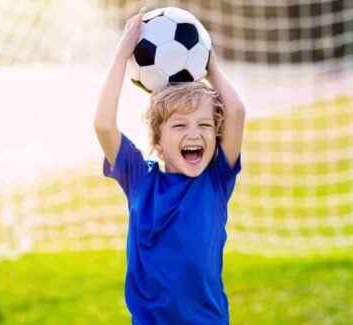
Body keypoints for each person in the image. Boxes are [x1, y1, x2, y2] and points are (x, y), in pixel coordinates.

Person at [93, 7, 246, 324]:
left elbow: (235, 112)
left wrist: (210, 65)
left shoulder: (216, 180)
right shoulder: (139, 179)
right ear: (158, 141)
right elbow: (104, 125)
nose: (194, 134)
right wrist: (121, 56)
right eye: (180, 126)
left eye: (204, 125)